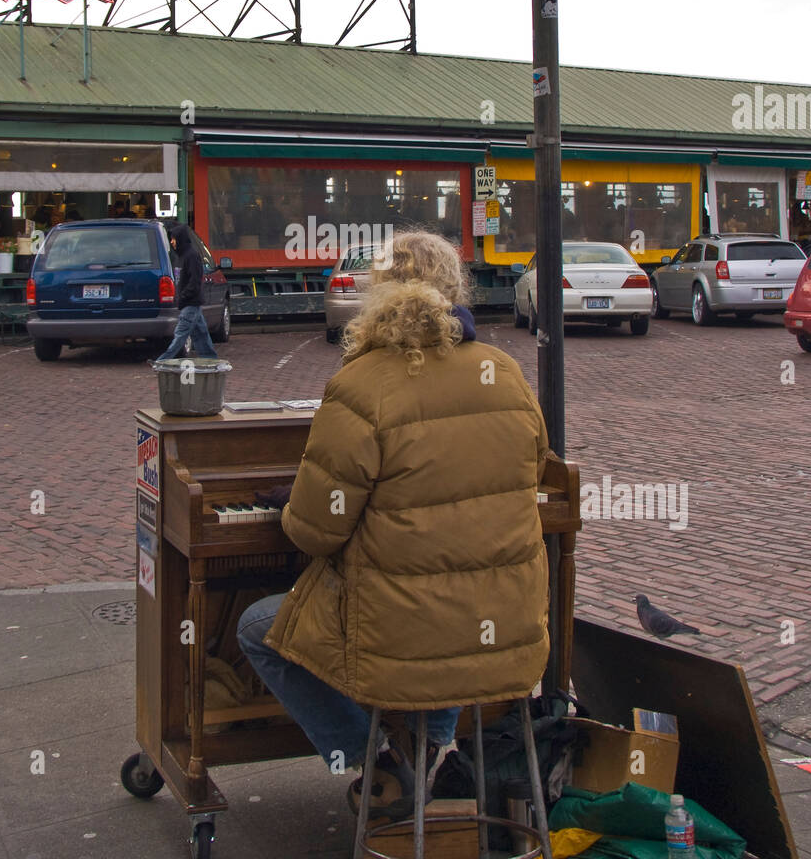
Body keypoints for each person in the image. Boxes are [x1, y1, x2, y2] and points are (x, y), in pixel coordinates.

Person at [236, 229, 550, 822]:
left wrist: (294, 501)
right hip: (504, 628)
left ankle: (376, 759)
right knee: (450, 612)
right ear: (456, 287)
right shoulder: (503, 373)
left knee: (256, 627)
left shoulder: (362, 385)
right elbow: (530, 473)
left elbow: (314, 532)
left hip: (400, 634)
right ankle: (434, 743)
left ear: (378, 294)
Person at [155, 223, 217, 360]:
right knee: (201, 334)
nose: (171, 242)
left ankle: (162, 361)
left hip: (190, 302)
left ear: (180, 239)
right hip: (189, 303)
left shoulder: (192, 256)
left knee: (180, 334)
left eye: (174, 239)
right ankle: (211, 360)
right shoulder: (181, 257)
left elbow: (194, 281)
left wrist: (182, 297)